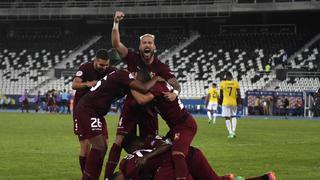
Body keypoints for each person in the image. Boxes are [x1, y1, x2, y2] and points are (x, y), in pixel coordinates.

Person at [105, 10, 182, 180]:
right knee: (119, 141)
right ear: (140, 46)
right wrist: (116, 23)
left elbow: (175, 82)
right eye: (144, 43)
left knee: (151, 144)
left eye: (150, 42)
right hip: (131, 105)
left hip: (149, 108)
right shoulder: (132, 58)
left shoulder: (161, 66)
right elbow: (116, 44)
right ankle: (108, 177)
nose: (147, 45)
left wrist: (175, 93)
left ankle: (147, 175)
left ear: (154, 47)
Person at [74, 66, 163, 180]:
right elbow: (144, 88)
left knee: (102, 147)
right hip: (87, 110)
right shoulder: (123, 75)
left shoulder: (123, 79)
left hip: (93, 111)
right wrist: (156, 79)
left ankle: (93, 177)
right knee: (99, 147)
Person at [113, 135, 275, 180]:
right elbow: (169, 143)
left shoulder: (128, 166)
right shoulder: (151, 143)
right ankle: (265, 178)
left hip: (179, 162)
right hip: (191, 154)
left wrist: (148, 158)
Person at [132, 81, 197, 180]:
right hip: (175, 127)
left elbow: (141, 100)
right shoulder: (154, 93)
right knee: (165, 148)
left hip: (184, 124)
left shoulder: (157, 87)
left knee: (177, 154)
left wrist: (130, 86)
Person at [72, 49, 113, 175]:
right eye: (101, 65)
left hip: (97, 112)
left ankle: (93, 173)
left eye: (106, 65)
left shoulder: (110, 71)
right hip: (82, 111)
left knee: (103, 144)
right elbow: (75, 84)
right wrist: (87, 84)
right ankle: (86, 175)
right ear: (95, 61)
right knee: (85, 145)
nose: (104, 67)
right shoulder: (85, 68)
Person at [219, 71, 241, 138]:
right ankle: (233, 131)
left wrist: (220, 102)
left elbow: (221, 95)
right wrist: (239, 102)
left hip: (226, 102)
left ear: (226, 76)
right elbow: (239, 94)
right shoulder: (236, 83)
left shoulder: (222, 83)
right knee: (234, 116)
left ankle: (230, 132)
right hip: (234, 102)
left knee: (227, 117)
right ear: (231, 77)